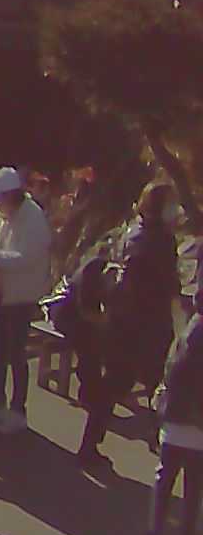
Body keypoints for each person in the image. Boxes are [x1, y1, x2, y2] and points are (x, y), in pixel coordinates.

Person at [82, 183, 185, 469]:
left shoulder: (134, 232)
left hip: (124, 324)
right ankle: (164, 447)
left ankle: (89, 447)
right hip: (146, 324)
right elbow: (162, 281)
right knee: (160, 384)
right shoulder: (158, 239)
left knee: (116, 383)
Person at [0, 166, 57, 433]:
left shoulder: (33, 219)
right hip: (2, 296)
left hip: (21, 297)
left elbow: (28, 257)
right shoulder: (6, 217)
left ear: (9, 195)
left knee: (15, 354)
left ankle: (18, 411)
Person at [154, 306, 203, 535]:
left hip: (173, 423)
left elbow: (168, 374)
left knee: (165, 481)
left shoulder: (183, 337)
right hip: (196, 428)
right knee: (193, 485)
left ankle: (155, 533)